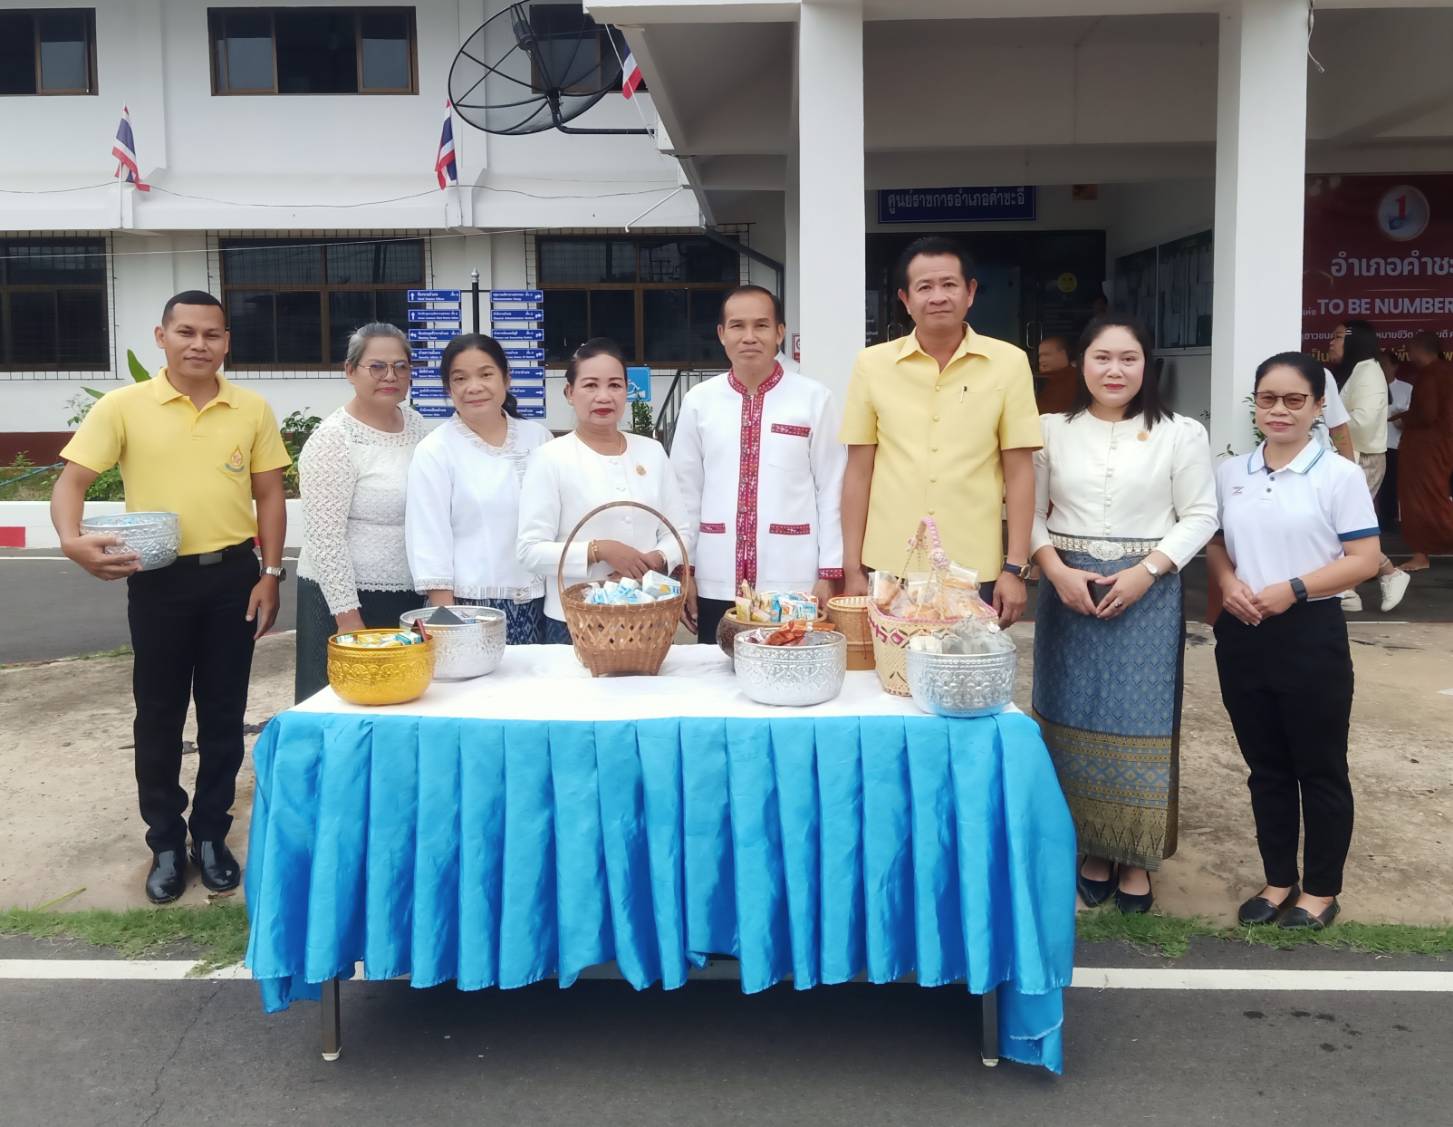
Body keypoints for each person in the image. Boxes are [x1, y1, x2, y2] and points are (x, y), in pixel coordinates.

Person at [50, 291, 290, 904]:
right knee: (158, 714)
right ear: (162, 337)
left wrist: (269, 574)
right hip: (157, 580)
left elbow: (269, 495)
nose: (199, 344)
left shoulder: (251, 409)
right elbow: (72, 482)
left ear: (227, 341)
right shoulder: (123, 407)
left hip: (233, 579)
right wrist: (72, 542)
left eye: (212, 334)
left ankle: (211, 836)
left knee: (223, 715)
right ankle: (163, 841)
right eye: (186, 332)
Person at [1030, 315, 1217, 914]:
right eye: (1102, 358)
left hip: (1147, 592)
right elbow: (1026, 511)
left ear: (1146, 365)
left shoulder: (1180, 433)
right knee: (1069, 715)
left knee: (1142, 723)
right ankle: (1090, 846)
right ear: (1082, 363)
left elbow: (1201, 514)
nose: (1115, 370)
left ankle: (1134, 856)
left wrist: (1147, 571)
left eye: (1128, 359)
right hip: (1069, 591)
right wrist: (1055, 570)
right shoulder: (1049, 430)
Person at [1208, 352, 1382, 931]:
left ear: (1318, 406)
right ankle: (1278, 880)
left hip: (1310, 633)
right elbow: (1216, 543)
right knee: (1266, 767)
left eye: (1293, 400)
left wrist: (1295, 589)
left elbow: (1365, 558)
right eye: (1267, 399)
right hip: (1243, 632)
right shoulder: (1232, 472)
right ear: (1255, 405)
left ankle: (1322, 890)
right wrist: (1227, 582)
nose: (1278, 410)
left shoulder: (1339, 475)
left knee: (1320, 766)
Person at [840, 236, 1042, 624]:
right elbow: (858, 472)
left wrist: (1015, 567)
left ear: (970, 292)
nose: (938, 297)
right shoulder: (872, 365)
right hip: (889, 563)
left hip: (972, 566)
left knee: (966, 663)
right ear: (905, 299)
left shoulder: (1009, 363)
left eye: (949, 284)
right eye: (924, 287)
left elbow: (1019, 472)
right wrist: (852, 567)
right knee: (892, 663)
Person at [671, 285, 846, 644]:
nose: (749, 337)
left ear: (779, 332)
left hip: (793, 578)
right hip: (716, 575)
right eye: (737, 326)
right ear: (722, 334)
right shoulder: (699, 402)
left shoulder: (814, 399)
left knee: (790, 667)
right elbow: (684, 491)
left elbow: (832, 488)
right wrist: (685, 568)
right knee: (716, 672)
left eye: (761, 325)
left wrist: (829, 571)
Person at [517, 338, 687, 644]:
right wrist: (599, 550)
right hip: (576, 618)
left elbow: (680, 532)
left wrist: (654, 561)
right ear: (569, 393)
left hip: (647, 612)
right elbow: (530, 551)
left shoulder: (652, 451)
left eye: (615, 385)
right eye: (590, 385)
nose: (604, 396)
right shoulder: (550, 458)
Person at [293, 324, 428, 701]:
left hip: (406, 595)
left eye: (401, 366)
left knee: (401, 700)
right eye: (377, 366)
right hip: (343, 599)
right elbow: (324, 538)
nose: (391, 376)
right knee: (341, 705)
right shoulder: (334, 439)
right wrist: (348, 620)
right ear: (350, 371)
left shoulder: (416, 425)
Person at [405, 334, 552, 643]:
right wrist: (447, 621)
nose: (474, 387)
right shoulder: (435, 450)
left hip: (544, 601)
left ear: (506, 379)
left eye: (486, 374)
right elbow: (429, 539)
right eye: (460, 378)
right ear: (448, 388)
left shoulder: (538, 438)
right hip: (468, 608)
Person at [1328, 320, 1408, 612]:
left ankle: (1349, 589)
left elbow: (1362, 422)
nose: (1331, 342)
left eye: (1338, 337)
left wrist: (1322, 426)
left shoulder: (1368, 372)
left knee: (1345, 526)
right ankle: (1383, 574)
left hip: (1362, 459)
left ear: (1355, 340)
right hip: (1350, 456)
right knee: (1343, 524)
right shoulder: (1358, 370)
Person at [1399, 330, 1453, 572]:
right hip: (1443, 443)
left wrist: (1404, 419)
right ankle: (1421, 552)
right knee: (1434, 495)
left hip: (1425, 447)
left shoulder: (1430, 374)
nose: (1408, 354)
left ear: (1419, 348)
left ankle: (1420, 555)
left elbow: (1427, 414)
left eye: (1410, 349)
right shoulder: (1447, 370)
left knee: (1420, 500)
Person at [1376, 351, 1414, 532]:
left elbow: (1416, 417)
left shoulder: (1407, 389)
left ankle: (1391, 521)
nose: (1381, 369)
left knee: (1392, 485)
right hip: (1374, 445)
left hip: (1396, 444)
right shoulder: (1370, 389)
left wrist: (1402, 421)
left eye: (1384, 364)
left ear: (1395, 366)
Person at [1034, 334, 1079, 415]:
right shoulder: (1041, 378)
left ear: (1063, 354)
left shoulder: (1073, 379)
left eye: (1046, 355)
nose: (1041, 360)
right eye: (1040, 356)